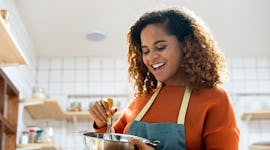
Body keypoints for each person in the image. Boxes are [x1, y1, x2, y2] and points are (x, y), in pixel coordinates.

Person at [89, 7, 240, 150]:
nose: (151, 57)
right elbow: (112, 144)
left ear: (186, 45)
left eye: (160, 47)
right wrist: (101, 123)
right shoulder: (142, 100)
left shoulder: (214, 99)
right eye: (145, 51)